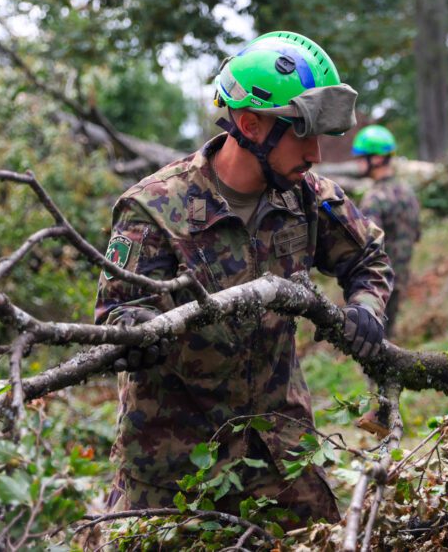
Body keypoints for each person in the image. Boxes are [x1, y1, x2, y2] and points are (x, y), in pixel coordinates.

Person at [95, 31, 393, 527]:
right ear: (252, 125)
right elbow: (118, 315)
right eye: (303, 133)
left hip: (281, 455)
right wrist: (142, 333)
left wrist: (366, 307)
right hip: (173, 470)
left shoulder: (307, 197)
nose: (316, 153)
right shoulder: (155, 207)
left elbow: (367, 257)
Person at [352, 124, 421, 338]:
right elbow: (417, 233)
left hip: (377, 284)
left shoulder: (374, 198)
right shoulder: (408, 192)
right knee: (387, 338)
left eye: (362, 156)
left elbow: (366, 245)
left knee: (371, 342)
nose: (358, 162)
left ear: (377, 158)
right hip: (400, 278)